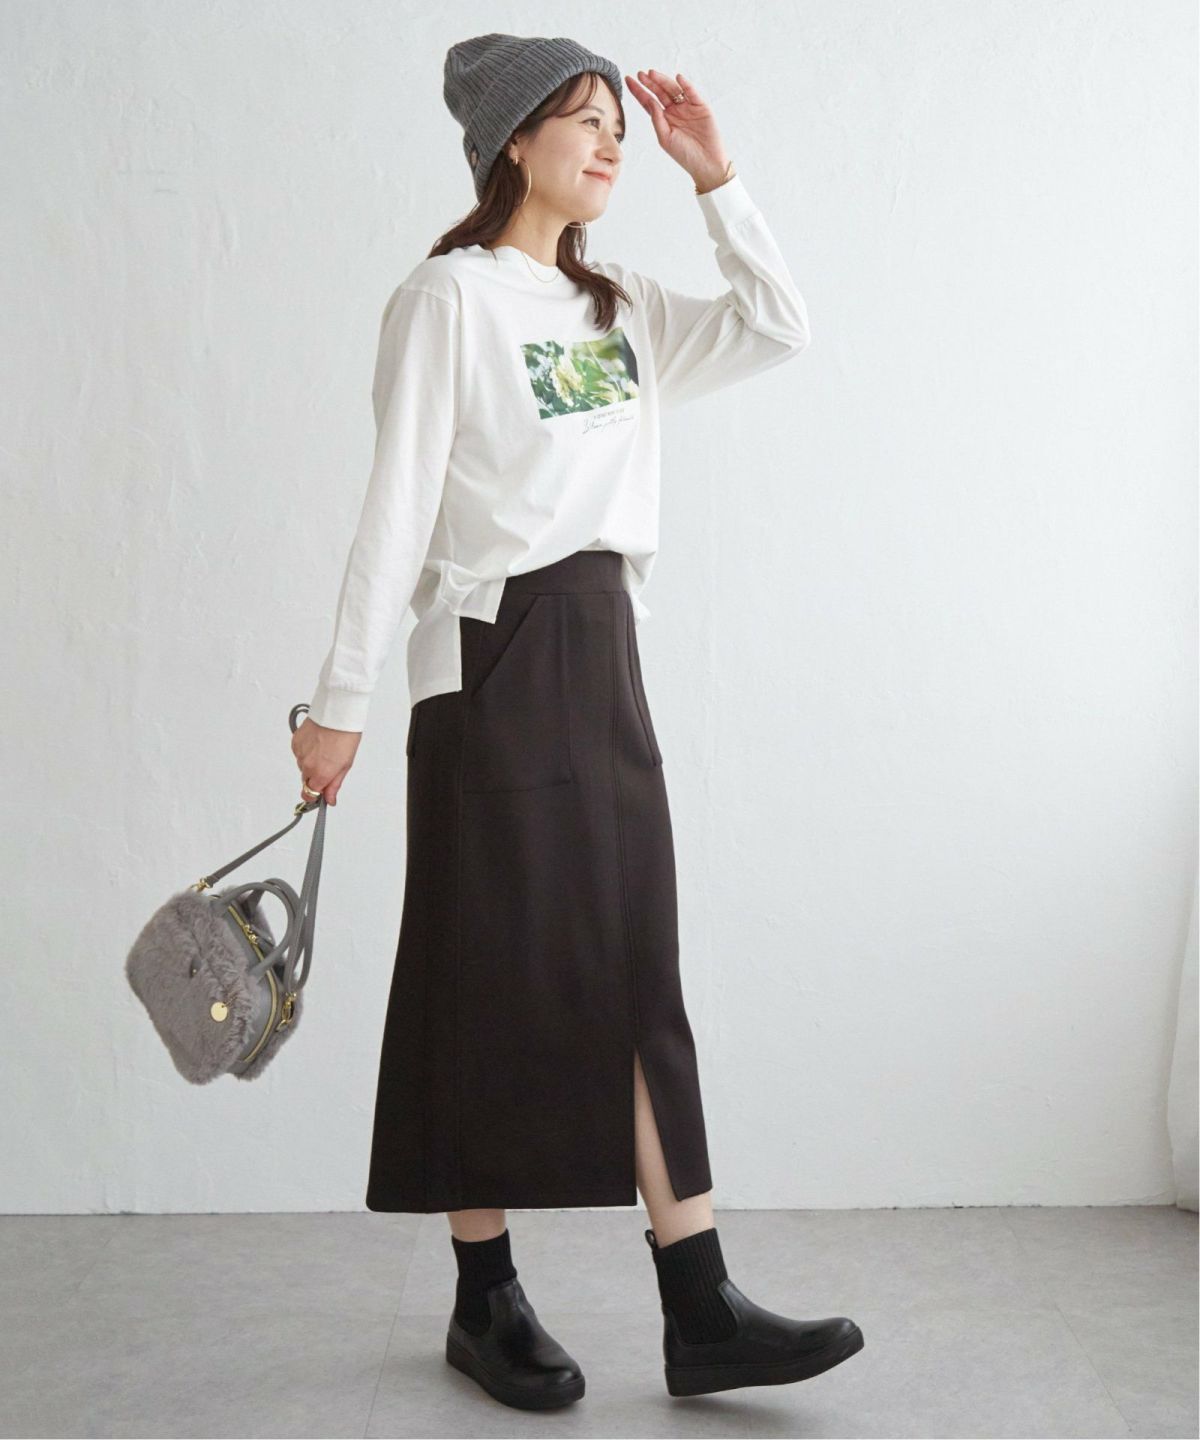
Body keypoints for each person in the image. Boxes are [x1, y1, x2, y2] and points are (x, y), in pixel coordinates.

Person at [291, 32, 863, 1410]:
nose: (612, 143)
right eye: (586, 119)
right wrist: (342, 701)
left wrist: (716, 177)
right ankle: (483, 1296)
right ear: (513, 140)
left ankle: (699, 1302)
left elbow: (779, 324)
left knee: (635, 967)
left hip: (604, 648)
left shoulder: (622, 310)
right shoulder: (449, 298)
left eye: (618, 123)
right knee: (483, 969)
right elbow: (397, 506)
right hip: (491, 654)